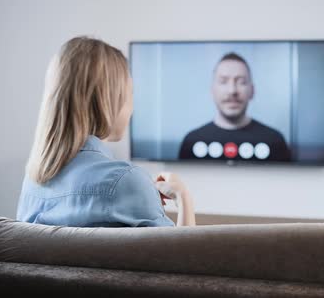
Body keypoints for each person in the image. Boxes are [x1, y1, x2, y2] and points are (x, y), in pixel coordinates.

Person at [17, 36, 195, 227]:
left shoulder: (32, 182)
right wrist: (183, 198)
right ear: (108, 100)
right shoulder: (126, 181)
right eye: (130, 94)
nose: (132, 108)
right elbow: (183, 256)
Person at [178, 52, 291, 161]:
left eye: (241, 82)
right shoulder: (192, 141)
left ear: (252, 91)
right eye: (223, 82)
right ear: (212, 91)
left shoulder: (274, 141)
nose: (232, 91)